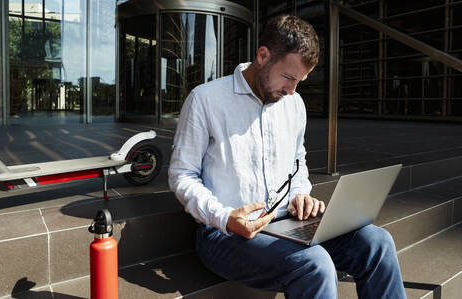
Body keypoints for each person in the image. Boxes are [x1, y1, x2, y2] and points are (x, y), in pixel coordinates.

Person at [169, 15, 406, 299]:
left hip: (287, 224)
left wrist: (299, 194)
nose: (292, 90)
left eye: (300, 81)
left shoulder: (293, 103)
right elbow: (181, 174)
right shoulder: (205, 99)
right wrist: (225, 217)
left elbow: (297, 165)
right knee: (315, 265)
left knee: (377, 242)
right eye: (289, 78)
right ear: (263, 55)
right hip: (225, 234)